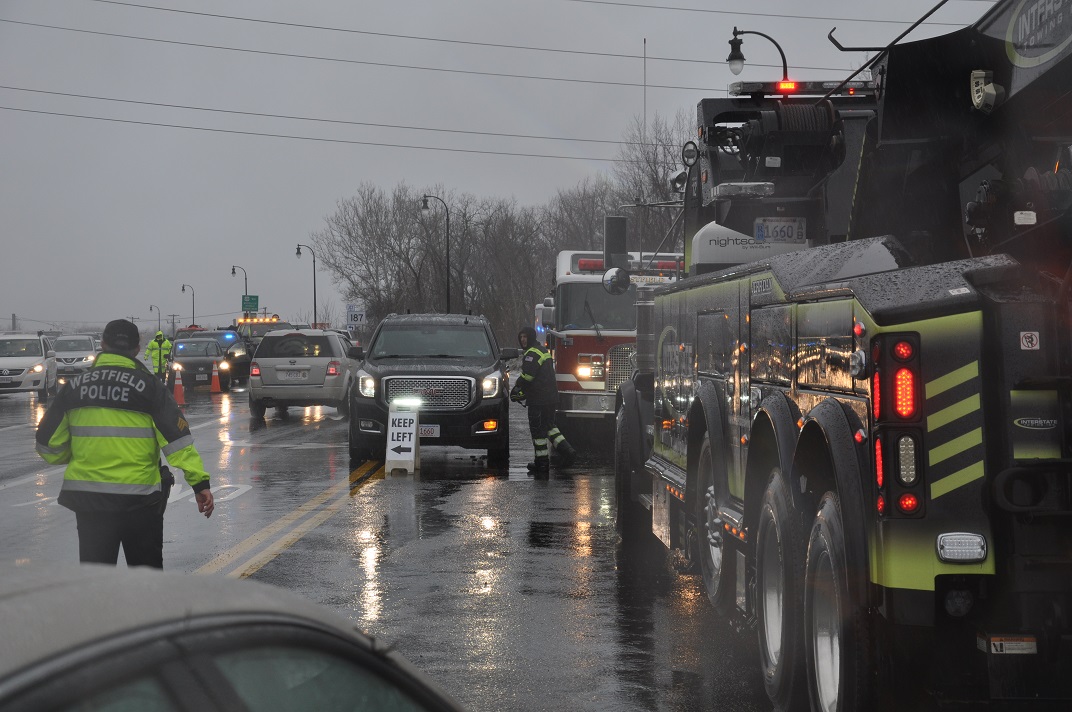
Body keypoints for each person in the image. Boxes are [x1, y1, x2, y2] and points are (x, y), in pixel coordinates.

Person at [35, 319, 214, 568]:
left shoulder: (74, 388)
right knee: (145, 583)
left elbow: (47, 445)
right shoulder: (151, 388)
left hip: (90, 501)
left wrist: (80, 453)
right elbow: (178, 442)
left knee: (97, 582)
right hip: (140, 501)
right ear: (137, 349)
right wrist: (200, 484)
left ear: (102, 344)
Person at [510, 326, 577, 474]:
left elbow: (528, 377)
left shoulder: (531, 354)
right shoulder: (542, 351)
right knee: (549, 426)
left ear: (531, 338)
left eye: (525, 337)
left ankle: (541, 464)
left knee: (537, 431)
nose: (523, 340)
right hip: (550, 397)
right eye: (521, 337)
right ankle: (568, 451)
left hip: (538, 400)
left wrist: (516, 387)